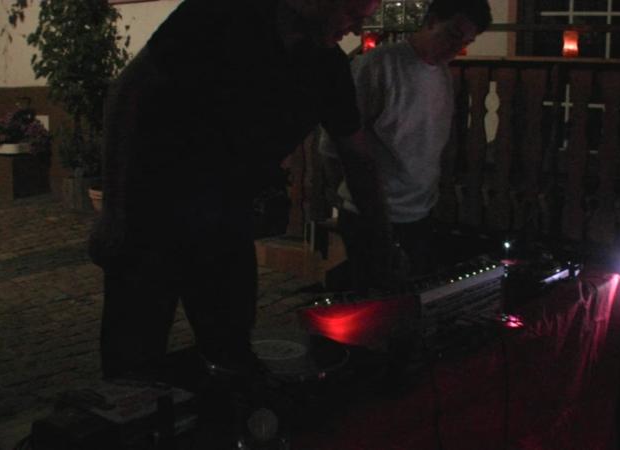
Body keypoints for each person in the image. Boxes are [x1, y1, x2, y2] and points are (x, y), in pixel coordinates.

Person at [89, 0, 394, 386]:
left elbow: (357, 157)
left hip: (226, 220)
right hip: (151, 211)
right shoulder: (221, 14)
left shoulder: (326, 67)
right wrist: (114, 211)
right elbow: (126, 94)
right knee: (133, 357)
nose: (357, 29)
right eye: (352, 14)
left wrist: (383, 241)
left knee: (232, 351)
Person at [320, 0, 492, 292]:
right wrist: (351, 197)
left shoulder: (441, 75)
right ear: (431, 21)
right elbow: (333, 144)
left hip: (420, 211)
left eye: (465, 42)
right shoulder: (379, 66)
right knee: (374, 300)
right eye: (452, 35)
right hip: (372, 214)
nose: (456, 48)